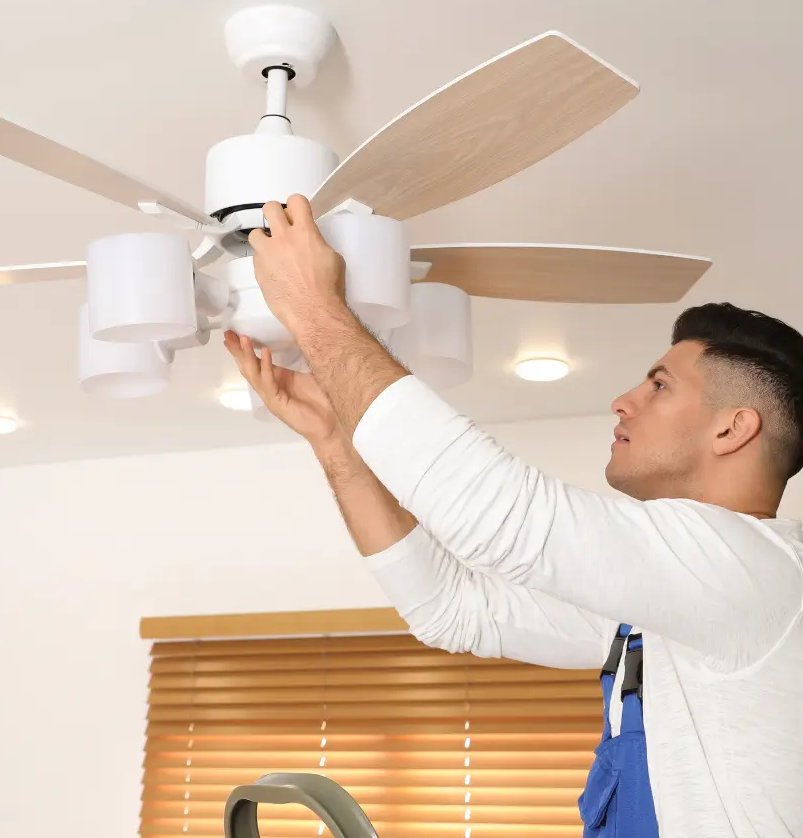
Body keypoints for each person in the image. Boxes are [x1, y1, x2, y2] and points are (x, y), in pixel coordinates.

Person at [223, 194, 803, 838]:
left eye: (659, 385)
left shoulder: (760, 571)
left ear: (732, 428)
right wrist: (336, 441)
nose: (622, 400)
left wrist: (314, 307)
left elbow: (499, 515)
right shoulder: (670, 610)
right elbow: (452, 609)